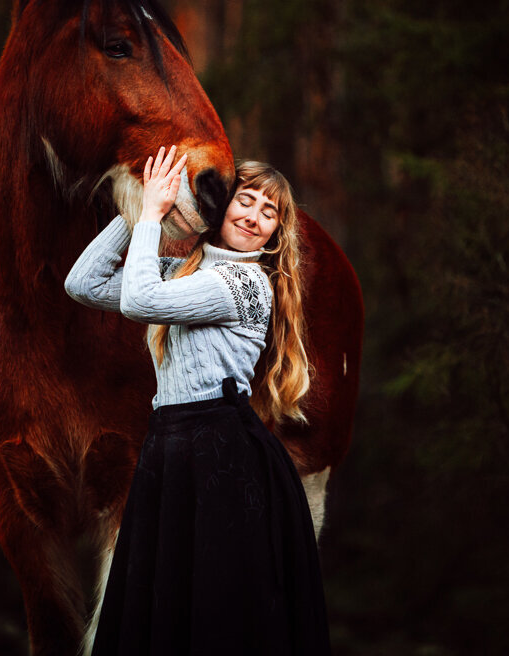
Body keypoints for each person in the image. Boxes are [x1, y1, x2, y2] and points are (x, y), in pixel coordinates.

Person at [65, 146, 329, 656]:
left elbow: (139, 299)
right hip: (171, 450)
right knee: (166, 609)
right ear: (222, 205)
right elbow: (84, 282)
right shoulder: (181, 271)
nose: (253, 217)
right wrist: (138, 209)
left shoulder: (245, 284)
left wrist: (152, 216)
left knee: (216, 614)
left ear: (277, 231)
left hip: (222, 457)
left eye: (269, 212)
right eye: (245, 201)